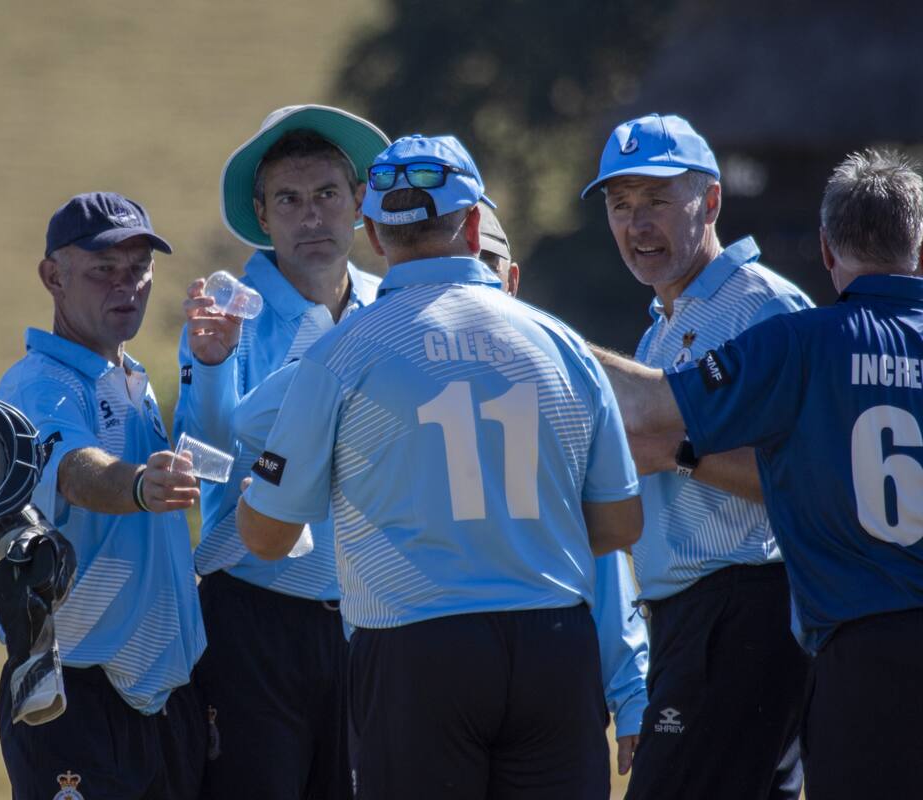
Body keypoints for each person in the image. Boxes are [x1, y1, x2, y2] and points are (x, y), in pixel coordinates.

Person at [237, 133, 644, 799]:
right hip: (553, 639)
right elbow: (622, 523)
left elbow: (269, 537)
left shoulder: (342, 354)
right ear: (477, 220)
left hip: (414, 647)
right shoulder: (562, 344)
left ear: (372, 232)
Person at [603, 148, 923, 800]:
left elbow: (653, 410)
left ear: (827, 250)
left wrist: (528, 330)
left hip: (854, 646)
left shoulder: (800, 339)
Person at [581, 113, 814, 800]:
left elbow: (809, 479)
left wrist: (681, 452)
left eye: (656, 200)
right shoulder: (663, 325)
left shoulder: (763, 308)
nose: (636, 224)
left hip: (746, 608)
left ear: (710, 201)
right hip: (697, 620)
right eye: (620, 206)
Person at [174, 105, 388, 799]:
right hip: (252, 615)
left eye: (327, 194)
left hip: (373, 620)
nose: (311, 216)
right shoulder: (227, 313)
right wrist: (209, 364)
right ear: (262, 217)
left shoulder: (393, 307)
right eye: (289, 200)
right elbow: (201, 457)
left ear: (358, 203)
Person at [0, 192, 206, 800]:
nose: (127, 286)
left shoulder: (130, 377)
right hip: (79, 693)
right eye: (103, 270)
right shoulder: (39, 382)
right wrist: (138, 485)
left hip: (165, 697)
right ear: (52, 277)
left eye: (138, 269)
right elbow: (77, 469)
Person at [477, 202, 649, 777]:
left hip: (548, 660)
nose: (470, 280)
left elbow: (605, 555)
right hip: (421, 671)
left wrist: (631, 692)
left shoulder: (562, 381)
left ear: (512, 278)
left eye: (484, 260)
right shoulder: (382, 378)